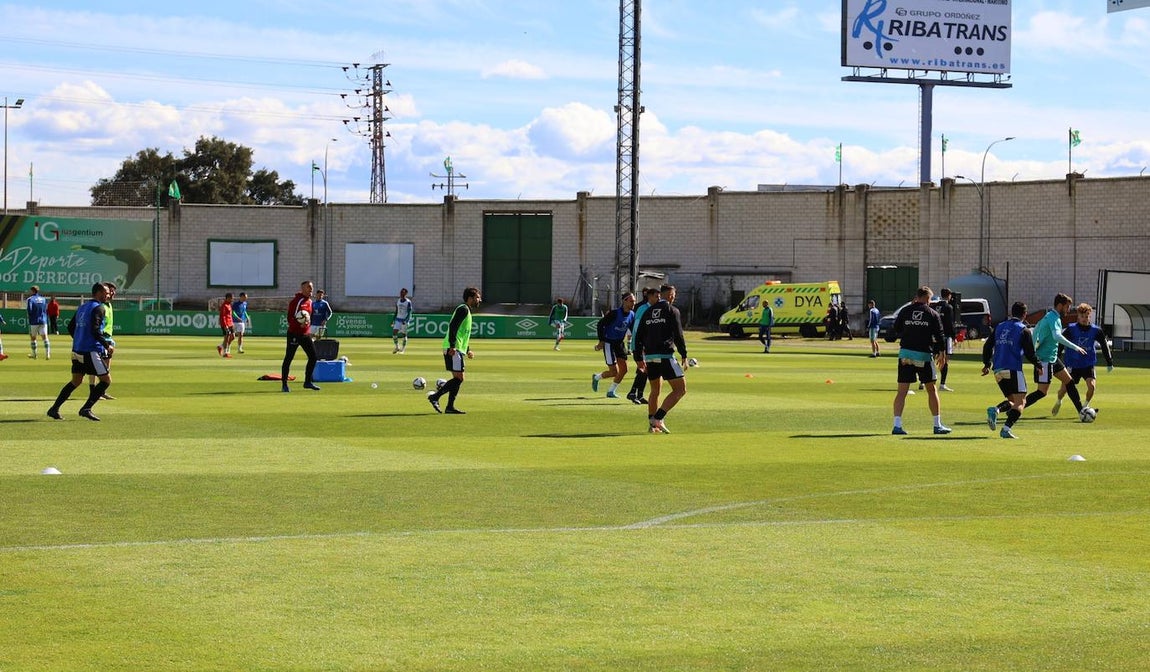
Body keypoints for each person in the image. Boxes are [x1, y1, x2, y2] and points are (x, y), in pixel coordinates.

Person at [989, 293, 1086, 426]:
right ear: (1060, 305)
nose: (1068, 310)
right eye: (1067, 307)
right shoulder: (1052, 317)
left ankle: (1081, 411)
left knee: (1069, 381)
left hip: (1052, 358)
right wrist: (1075, 347)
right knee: (1041, 392)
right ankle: (1014, 409)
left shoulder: (1053, 317)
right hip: (1045, 359)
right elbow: (1056, 336)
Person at [46, 282, 114, 421]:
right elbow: (95, 330)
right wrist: (107, 345)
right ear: (99, 293)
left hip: (76, 350)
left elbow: (71, 327)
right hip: (90, 350)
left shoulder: (82, 307)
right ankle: (86, 408)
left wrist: (79, 339)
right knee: (106, 380)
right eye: (106, 292)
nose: (108, 295)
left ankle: (54, 409)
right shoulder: (99, 308)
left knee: (75, 381)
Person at [890, 286, 951, 435]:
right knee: (931, 390)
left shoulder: (906, 310)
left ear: (916, 297)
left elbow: (896, 328)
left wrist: (909, 331)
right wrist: (942, 353)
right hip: (923, 355)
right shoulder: (932, 313)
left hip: (905, 354)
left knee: (901, 392)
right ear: (928, 298)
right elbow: (940, 334)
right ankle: (937, 425)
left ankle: (897, 425)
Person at [634, 284, 688, 434]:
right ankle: (659, 417)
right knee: (680, 389)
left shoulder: (648, 311)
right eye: (674, 294)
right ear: (670, 295)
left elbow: (638, 336)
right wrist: (684, 354)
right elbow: (678, 334)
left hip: (650, 357)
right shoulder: (672, 310)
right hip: (665, 356)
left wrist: (638, 357)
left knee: (655, 391)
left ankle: (652, 425)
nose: (674, 297)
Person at [982, 301, 1040, 439]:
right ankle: (1006, 429)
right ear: (1024, 314)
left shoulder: (1000, 326)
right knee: (1021, 402)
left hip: (998, 370)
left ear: (1011, 313)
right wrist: (1038, 365)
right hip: (1013, 368)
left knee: (1013, 401)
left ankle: (996, 410)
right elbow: (1029, 353)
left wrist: (986, 364)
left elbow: (987, 346)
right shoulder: (1023, 329)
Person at [428, 286, 482, 414]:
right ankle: (435, 397)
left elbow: (462, 333)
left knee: (457, 379)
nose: (479, 300)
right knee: (459, 378)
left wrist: (467, 349)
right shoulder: (463, 309)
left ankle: (449, 407)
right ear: (470, 298)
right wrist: (452, 346)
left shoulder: (467, 310)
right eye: (477, 297)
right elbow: (453, 327)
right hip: (453, 348)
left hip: (457, 348)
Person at [1053, 302, 1114, 415]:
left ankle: (1084, 407)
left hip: (1088, 364)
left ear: (1089, 316)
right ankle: (1059, 401)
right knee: (1063, 390)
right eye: (1082, 316)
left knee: (1091, 387)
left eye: (1087, 316)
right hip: (1072, 364)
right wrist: (1057, 358)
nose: (1084, 319)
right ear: (1078, 316)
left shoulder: (1096, 330)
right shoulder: (1071, 329)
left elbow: (1104, 345)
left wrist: (1109, 361)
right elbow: (1060, 344)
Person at [591, 292, 636, 399]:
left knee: (624, 370)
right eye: (631, 301)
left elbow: (633, 330)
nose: (633, 303)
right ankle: (597, 377)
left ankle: (611, 391)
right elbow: (600, 324)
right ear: (624, 301)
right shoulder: (615, 313)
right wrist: (601, 340)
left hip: (619, 343)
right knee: (614, 372)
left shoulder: (632, 314)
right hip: (609, 343)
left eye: (634, 301)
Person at [281, 280, 321, 392]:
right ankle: (284, 384)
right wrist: (299, 324)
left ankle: (307, 382)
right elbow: (290, 318)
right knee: (289, 358)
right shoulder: (296, 301)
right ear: (302, 289)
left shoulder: (310, 302)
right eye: (308, 287)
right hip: (294, 333)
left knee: (313, 357)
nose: (311, 289)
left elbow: (308, 317)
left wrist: (307, 324)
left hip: (305, 334)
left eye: (312, 287)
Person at [626, 288, 659, 404]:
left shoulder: (653, 309)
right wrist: (638, 344)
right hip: (640, 346)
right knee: (643, 369)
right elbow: (637, 328)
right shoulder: (643, 309)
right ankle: (632, 392)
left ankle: (639, 395)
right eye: (656, 296)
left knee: (645, 370)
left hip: (648, 346)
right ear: (650, 297)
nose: (658, 298)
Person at [923, 288, 957, 392]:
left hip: (934, 336)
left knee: (930, 357)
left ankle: (923, 382)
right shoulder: (948, 307)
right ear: (949, 295)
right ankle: (942, 384)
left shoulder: (934, 306)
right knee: (945, 359)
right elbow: (949, 323)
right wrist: (953, 336)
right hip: (945, 337)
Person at [88, 282, 117, 400]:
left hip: (108, 338)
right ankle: (93, 390)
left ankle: (101, 391)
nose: (112, 293)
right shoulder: (100, 306)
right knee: (96, 367)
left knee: (106, 366)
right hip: (102, 338)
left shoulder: (109, 305)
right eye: (111, 291)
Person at [26, 285, 51, 360]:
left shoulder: (30, 299)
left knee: (33, 338)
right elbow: (45, 310)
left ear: (33, 291)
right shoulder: (43, 299)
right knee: (45, 337)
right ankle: (47, 354)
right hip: (43, 320)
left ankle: (34, 354)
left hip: (34, 321)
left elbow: (29, 310)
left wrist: (30, 316)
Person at [392, 288, 414, 353]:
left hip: (404, 320)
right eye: (401, 292)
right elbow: (396, 311)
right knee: (394, 333)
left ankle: (403, 349)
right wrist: (393, 319)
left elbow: (409, 312)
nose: (401, 294)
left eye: (403, 293)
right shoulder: (398, 301)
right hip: (398, 319)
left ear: (406, 294)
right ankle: (397, 347)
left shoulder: (408, 302)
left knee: (404, 334)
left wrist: (406, 320)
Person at [217, 292, 236, 358]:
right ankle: (225, 353)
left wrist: (232, 323)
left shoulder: (229, 305)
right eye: (231, 298)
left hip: (230, 323)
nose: (232, 299)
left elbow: (229, 315)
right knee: (226, 338)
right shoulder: (224, 305)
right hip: (225, 324)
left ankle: (221, 346)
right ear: (228, 298)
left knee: (233, 337)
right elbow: (223, 316)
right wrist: (225, 326)